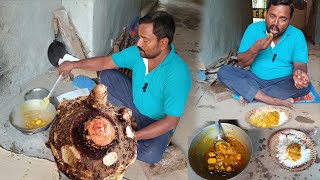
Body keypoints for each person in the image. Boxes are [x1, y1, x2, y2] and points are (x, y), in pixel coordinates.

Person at [58, 11, 192, 164]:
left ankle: (136, 128)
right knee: (107, 74)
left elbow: (170, 121)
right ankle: (129, 120)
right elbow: (105, 62)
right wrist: (73, 64)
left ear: (163, 43)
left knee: (151, 154)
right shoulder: (139, 53)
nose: (138, 44)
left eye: (145, 40)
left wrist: (135, 135)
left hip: (156, 119)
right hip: (135, 102)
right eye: (139, 37)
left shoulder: (178, 74)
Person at [217, 0, 310, 109]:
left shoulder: (297, 35)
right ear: (266, 14)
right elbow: (242, 63)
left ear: (289, 19)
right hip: (255, 78)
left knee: (304, 87)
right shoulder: (253, 29)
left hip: (283, 81)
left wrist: (299, 73)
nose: (275, 23)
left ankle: (253, 93)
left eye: (283, 19)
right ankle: (270, 99)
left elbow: (300, 64)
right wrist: (255, 49)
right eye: (272, 16)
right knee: (224, 71)